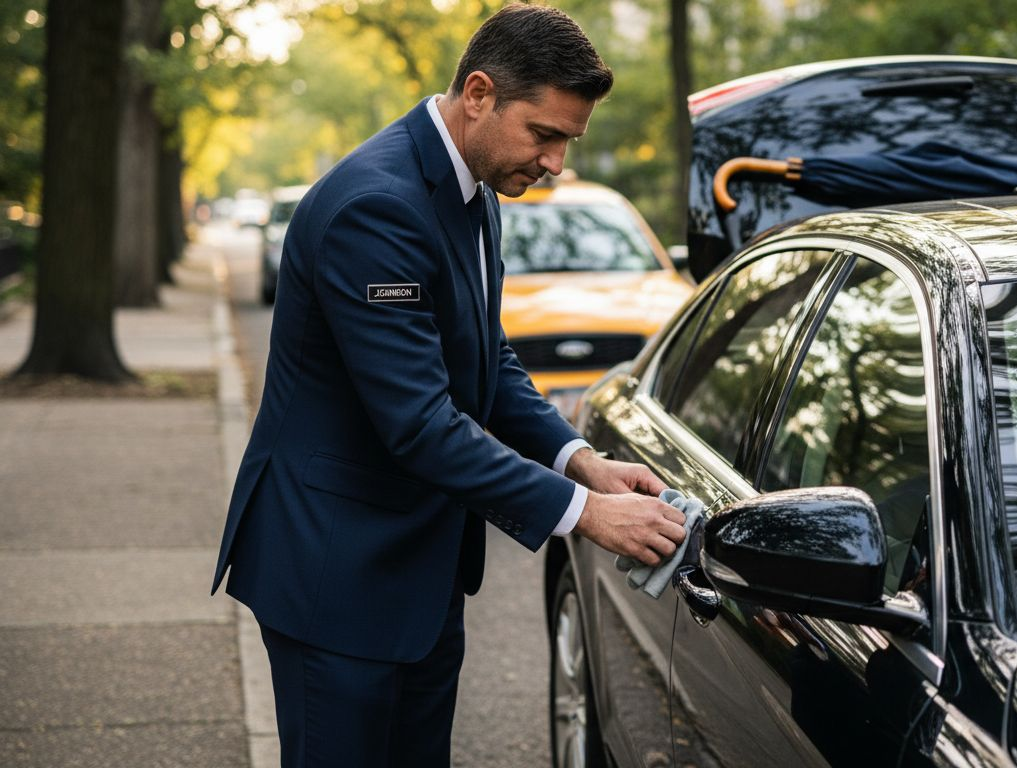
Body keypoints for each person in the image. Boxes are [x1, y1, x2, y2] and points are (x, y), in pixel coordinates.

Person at [210, 5, 686, 765]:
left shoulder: (478, 190)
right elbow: (420, 424)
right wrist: (583, 513)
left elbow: (484, 358)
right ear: (478, 93)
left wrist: (577, 459)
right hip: (337, 574)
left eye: (569, 139)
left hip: (421, 573)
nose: (557, 162)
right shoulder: (377, 207)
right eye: (545, 134)